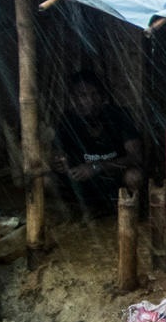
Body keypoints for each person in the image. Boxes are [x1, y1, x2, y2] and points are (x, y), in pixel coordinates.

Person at [51, 69, 145, 220]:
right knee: (44, 179)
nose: (88, 101)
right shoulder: (68, 120)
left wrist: (97, 166)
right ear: (74, 99)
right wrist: (58, 161)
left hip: (113, 179)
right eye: (82, 95)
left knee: (134, 176)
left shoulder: (119, 115)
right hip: (84, 181)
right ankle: (84, 210)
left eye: (94, 95)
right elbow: (57, 152)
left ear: (102, 97)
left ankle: (131, 213)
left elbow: (136, 157)